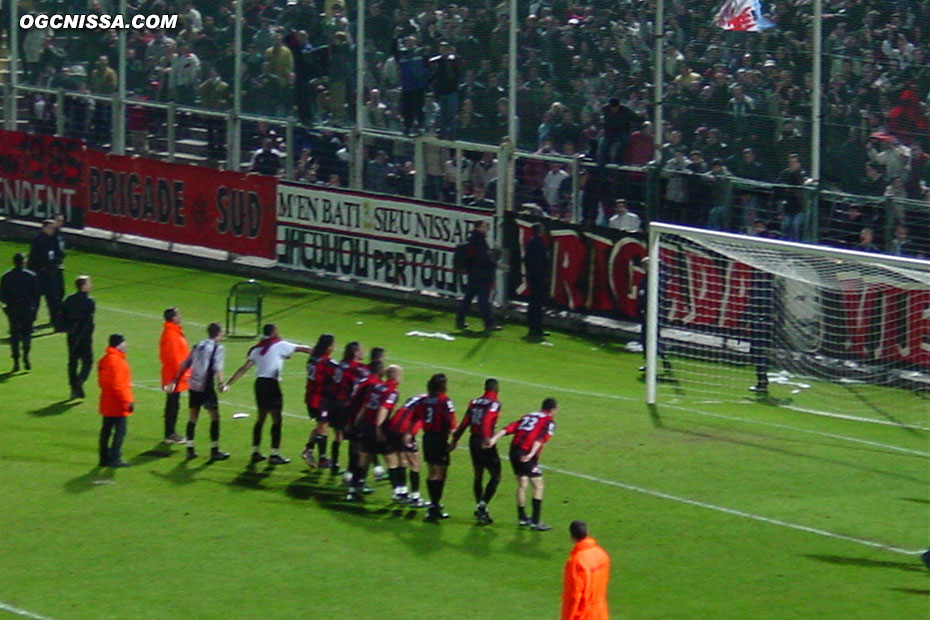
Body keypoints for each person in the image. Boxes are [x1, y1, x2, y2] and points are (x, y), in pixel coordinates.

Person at [222, 324, 312, 465]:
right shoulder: (280, 344)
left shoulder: (257, 348)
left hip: (259, 384)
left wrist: (228, 383)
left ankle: (255, 451)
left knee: (261, 418)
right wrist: (320, 355)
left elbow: (244, 368)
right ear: (273, 332)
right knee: (276, 419)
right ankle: (274, 454)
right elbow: (302, 348)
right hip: (271, 384)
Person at [488, 397, 558, 531]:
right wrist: (531, 455)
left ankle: (522, 518)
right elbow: (540, 440)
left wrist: (493, 439)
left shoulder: (529, 415)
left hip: (513, 450)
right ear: (553, 409)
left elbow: (508, 428)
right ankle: (535, 521)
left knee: (522, 483)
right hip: (526, 453)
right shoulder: (549, 422)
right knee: (538, 485)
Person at [169, 322, 229, 461]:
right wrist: (221, 383)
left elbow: (185, 363)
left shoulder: (198, 345)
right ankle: (214, 449)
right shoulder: (218, 348)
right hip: (206, 387)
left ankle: (190, 448)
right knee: (215, 417)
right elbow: (218, 368)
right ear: (218, 333)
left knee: (192, 417)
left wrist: (175, 380)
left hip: (193, 386)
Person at [450, 378, 502, 524]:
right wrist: (487, 438)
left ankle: (480, 508)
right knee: (496, 476)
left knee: (478, 475)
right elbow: (486, 420)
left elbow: (465, 422)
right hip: (484, 441)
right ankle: (482, 506)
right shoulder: (494, 403)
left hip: (473, 441)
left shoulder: (474, 402)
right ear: (497, 390)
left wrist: (455, 439)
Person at [348, 364, 402, 501]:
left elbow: (365, 406)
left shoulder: (375, 387)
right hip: (377, 428)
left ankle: (353, 489)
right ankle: (398, 492)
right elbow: (383, 409)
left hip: (366, 425)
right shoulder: (392, 392)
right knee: (391, 459)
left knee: (364, 458)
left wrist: (357, 422)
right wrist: (379, 428)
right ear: (395, 376)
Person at [412, 373, 457, 522]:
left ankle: (434, 505)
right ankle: (435, 506)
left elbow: (416, 416)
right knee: (440, 473)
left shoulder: (424, 400)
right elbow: (451, 423)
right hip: (439, 439)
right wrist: (453, 440)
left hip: (427, 438)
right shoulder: (444, 401)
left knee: (432, 472)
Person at [383, 391, 428, 506]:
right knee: (414, 463)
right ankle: (415, 497)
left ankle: (400, 492)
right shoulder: (431, 402)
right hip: (405, 429)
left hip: (392, 427)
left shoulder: (417, 396)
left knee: (401, 460)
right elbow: (418, 418)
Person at [302, 333, 340, 469]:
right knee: (323, 428)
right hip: (320, 399)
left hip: (310, 397)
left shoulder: (313, 359)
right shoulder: (326, 363)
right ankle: (322, 458)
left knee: (321, 426)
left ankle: (309, 450)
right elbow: (338, 376)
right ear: (329, 347)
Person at [455, 221, 500, 333]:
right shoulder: (479, 241)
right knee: (483, 300)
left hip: (474, 273)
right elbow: (482, 258)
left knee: (468, 298)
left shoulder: (474, 239)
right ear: (478, 228)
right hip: (481, 273)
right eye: (484, 227)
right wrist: (493, 264)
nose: (486, 229)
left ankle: (460, 320)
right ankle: (489, 323)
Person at [561, 520, 610, 620]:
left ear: (572, 537)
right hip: (600, 613)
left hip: (583, 615)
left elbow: (574, 597)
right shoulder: (601, 554)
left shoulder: (576, 562)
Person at [97, 334, 134, 468]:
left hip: (106, 400)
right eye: (124, 343)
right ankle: (115, 458)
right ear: (119, 344)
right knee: (120, 432)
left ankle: (103, 458)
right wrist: (128, 401)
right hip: (117, 403)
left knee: (106, 431)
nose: (126, 345)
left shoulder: (104, 360)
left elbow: (102, 382)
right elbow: (119, 385)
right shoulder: (117, 362)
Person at [1, 253, 39, 372]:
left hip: (13, 309)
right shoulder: (31, 276)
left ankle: (16, 361)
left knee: (15, 335)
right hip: (27, 309)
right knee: (27, 334)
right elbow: (36, 295)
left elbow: (2, 295)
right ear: (24, 262)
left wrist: (7, 306)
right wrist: (33, 309)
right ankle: (26, 356)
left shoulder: (7, 276)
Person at [159, 307, 190, 444]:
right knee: (172, 404)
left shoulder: (174, 332)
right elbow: (174, 358)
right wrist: (176, 377)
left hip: (174, 374)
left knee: (173, 404)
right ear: (173, 318)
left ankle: (170, 433)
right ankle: (170, 434)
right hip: (173, 375)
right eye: (178, 315)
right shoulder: (171, 334)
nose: (181, 316)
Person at [62, 275, 95, 400]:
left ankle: (73, 386)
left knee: (73, 362)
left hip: (72, 335)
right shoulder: (89, 301)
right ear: (83, 286)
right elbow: (88, 321)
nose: (91, 285)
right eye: (89, 283)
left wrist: (68, 328)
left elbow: (62, 314)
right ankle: (79, 381)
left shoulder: (69, 299)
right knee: (88, 361)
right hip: (84, 337)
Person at [28, 219, 65, 331]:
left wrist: (57, 262)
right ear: (44, 228)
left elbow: (60, 254)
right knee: (35, 300)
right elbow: (34, 258)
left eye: (53, 228)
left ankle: (55, 321)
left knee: (54, 299)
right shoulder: (38, 240)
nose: (52, 230)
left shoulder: (55, 239)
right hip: (39, 274)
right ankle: (29, 323)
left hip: (51, 274)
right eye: (50, 228)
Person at [524, 224, 550, 339]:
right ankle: (536, 328)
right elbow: (540, 261)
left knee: (534, 302)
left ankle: (534, 327)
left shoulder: (532, 242)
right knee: (537, 303)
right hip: (537, 276)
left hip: (533, 275)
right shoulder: (537, 243)